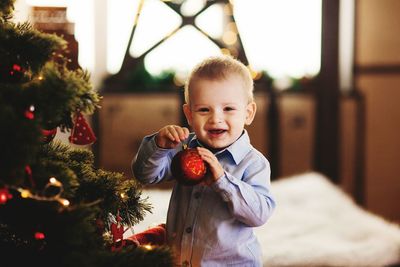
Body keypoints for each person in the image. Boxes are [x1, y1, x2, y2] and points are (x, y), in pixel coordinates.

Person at [132, 55, 275, 267]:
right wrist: (159, 146)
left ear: (248, 113)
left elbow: (259, 215)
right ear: (189, 115)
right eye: (204, 110)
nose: (215, 118)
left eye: (228, 109)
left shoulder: (254, 163)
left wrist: (222, 181)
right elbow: (145, 175)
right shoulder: (182, 148)